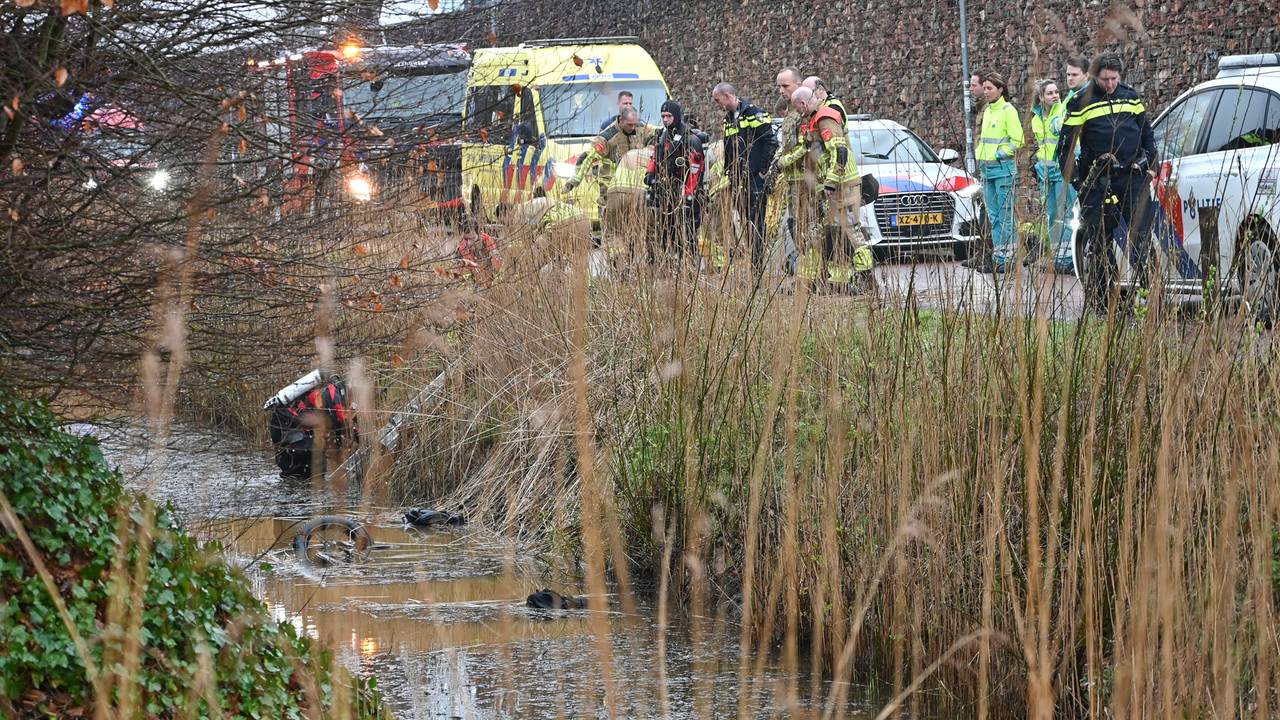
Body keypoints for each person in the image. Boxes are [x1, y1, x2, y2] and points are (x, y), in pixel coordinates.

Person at [1056, 53, 1157, 308]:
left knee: (1141, 239)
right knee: (1100, 242)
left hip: (1132, 177)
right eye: (1104, 79)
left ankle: (1148, 298)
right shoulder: (1081, 102)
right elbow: (1065, 148)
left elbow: (1147, 134)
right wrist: (1079, 182)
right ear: (1093, 77)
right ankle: (1104, 303)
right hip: (1097, 180)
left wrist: (1150, 168)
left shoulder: (1131, 96)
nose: (1110, 84)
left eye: (1114, 79)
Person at [776, 86, 873, 292]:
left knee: (850, 232)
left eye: (798, 109)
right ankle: (824, 278)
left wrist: (831, 181)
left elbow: (839, 151)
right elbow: (809, 150)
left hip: (841, 184)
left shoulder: (824, 117)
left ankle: (866, 277)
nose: (799, 114)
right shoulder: (813, 120)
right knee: (825, 232)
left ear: (803, 104)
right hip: (830, 186)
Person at [712, 82, 778, 274]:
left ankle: (758, 267)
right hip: (737, 180)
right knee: (746, 222)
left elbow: (770, 141)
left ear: (727, 96)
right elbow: (729, 148)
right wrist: (728, 173)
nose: (717, 104)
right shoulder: (728, 119)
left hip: (754, 178)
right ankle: (754, 264)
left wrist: (762, 170)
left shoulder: (753, 113)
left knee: (757, 222)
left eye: (717, 100)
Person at [563, 107, 656, 236]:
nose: (633, 127)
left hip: (634, 185)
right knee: (610, 220)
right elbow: (587, 157)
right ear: (621, 120)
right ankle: (611, 248)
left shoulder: (642, 128)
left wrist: (650, 147)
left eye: (634, 123)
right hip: (610, 184)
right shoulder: (607, 137)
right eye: (629, 125)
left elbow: (657, 137)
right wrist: (575, 180)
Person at [972, 71, 1024, 273]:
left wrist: (1001, 154)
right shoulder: (988, 111)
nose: (985, 92)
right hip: (987, 170)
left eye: (989, 88)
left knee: (1005, 215)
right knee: (993, 216)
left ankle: (1009, 259)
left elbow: (1017, 140)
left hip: (1002, 170)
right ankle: (999, 256)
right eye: (984, 88)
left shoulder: (1007, 110)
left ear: (1000, 90)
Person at [645, 99, 705, 266]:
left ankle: (692, 265)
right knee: (666, 229)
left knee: (689, 231)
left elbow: (695, 170)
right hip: (668, 191)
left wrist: (688, 196)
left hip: (687, 192)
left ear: (677, 116)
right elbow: (655, 158)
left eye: (669, 116)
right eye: (663, 116)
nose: (665, 120)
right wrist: (651, 175)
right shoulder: (663, 136)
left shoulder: (690, 139)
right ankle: (670, 264)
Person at [265, 371, 357, 478]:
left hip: (283, 427)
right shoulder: (334, 392)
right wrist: (358, 434)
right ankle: (298, 490)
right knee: (313, 467)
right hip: (290, 430)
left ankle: (292, 489)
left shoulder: (330, 390)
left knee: (295, 470)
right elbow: (339, 420)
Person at [1030, 79, 1073, 273]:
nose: (1055, 95)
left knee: (1068, 213)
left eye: (1056, 92)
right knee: (1052, 215)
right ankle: (1057, 255)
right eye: (1050, 93)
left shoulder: (1061, 112)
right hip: (1046, 173)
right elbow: (1043, 146)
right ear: (1040, 97)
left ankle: (1070, 256)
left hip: (1062, 170)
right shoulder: (1036, 119)